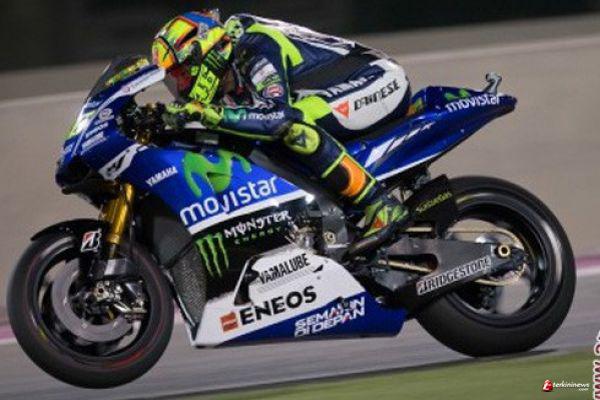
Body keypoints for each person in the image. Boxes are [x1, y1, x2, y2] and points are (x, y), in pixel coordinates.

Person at [153, 9, 411, 254]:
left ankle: (380, 204)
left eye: (182, 73)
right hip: (332, 93)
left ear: (207, 57)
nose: (180, 86)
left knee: (294, 128)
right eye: (173, 78)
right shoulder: (226, 75)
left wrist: (212, 114)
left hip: (377, 80)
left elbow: (280, 118)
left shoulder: (254, 46)